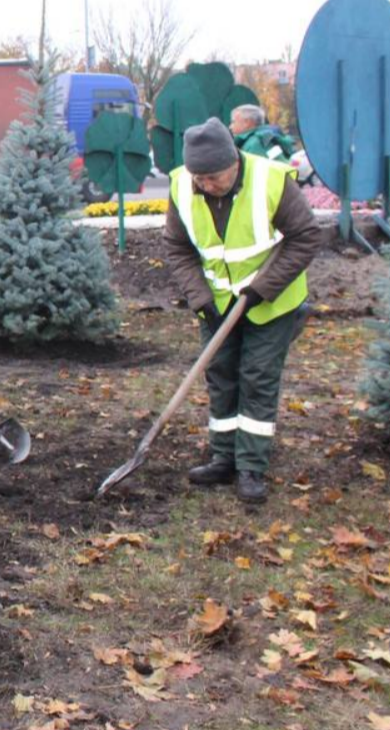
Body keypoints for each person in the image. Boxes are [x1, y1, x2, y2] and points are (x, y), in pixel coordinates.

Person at [163, 117, 323, 504]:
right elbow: (178, 249)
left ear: (234, 162)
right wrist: (199, 297)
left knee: (257, 376)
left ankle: (251, 465)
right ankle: (223, 456)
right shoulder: (182, 186)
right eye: (199, 178)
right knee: (220, 375)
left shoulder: (270, 181)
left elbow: (305, 237)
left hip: (272, 302)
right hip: (216, 302)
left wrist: (262, 288)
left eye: (214, 177)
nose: (206, 185)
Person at [229, 104, 296, 164]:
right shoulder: (268, 137)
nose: (230, 127)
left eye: (233, 122)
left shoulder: (255, 144)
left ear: (247, 122)